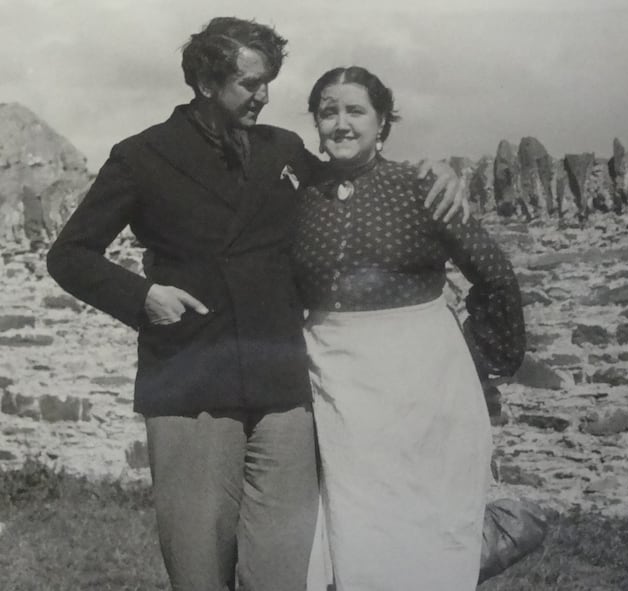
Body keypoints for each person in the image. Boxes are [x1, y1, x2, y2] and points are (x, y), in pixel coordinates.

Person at [46, 18, 465, 591]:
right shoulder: (142, 156)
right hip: (190, 379)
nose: (264, 94)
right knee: (199, 569)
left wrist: (433, 171)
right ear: (205, 82)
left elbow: (354, 185)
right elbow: (69, 255)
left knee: (287, 570)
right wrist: (143, 297)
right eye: (249, 83)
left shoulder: (284, 150)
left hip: (281, 386)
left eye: (268, 80)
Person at [292, 66, 527, 591]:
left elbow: (493, 273)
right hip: (333, 376)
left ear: (382, 125)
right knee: (350, 519)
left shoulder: (421, 186)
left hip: (420, 377)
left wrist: (477, 360)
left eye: (356, 111)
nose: (341, 123)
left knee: (422, 521)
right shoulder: (298, 197)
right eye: (328, 111)